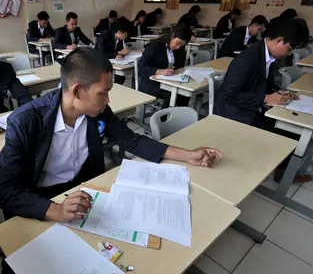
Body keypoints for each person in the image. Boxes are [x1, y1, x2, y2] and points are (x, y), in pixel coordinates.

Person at [0, 47, 222, 223]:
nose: (107, 101)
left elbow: (131, 139)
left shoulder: (95, 111)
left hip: (83, 191)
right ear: (77, 90)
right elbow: (6, 189)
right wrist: (55, 209)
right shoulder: (25, 121)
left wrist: (188, 155)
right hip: (42, 199)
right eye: (103, 93)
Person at [214, 18, 310, 182]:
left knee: (292, 127)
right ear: (279, 40)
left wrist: (278, 92)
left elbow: (265, 82)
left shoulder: (269, 55)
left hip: (250, 105)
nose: (289, 53)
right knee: (287, 131)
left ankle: (280, 170)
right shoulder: (247, 58)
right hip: (232, 112)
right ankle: (278, 172)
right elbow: (231, 95)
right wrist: (266, 97)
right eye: (290, 48)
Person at [138, 24, 193, 108]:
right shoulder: (154, 46)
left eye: (181, 45)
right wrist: (160, 71)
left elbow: (179, 66)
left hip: (169, 81)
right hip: (150, 82)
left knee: (185, 94)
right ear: (172, 36)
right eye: (178, 43)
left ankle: (178, 116)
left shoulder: (179, 50)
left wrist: (174, 68)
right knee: (173, 94)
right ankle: (162, 119)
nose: (178, 47)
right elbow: (141, 68)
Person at [96, 17, 131, 85]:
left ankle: (113, 90)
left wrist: (121, 54)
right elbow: (102, 55)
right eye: (126, 34)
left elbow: (119, 50)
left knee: (121, 77)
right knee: (109, 79)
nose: (126, 36)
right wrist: (119, 52)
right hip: (99, 63)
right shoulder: (104, 36)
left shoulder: (119, 38)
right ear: (119, 32)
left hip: (113, 62)